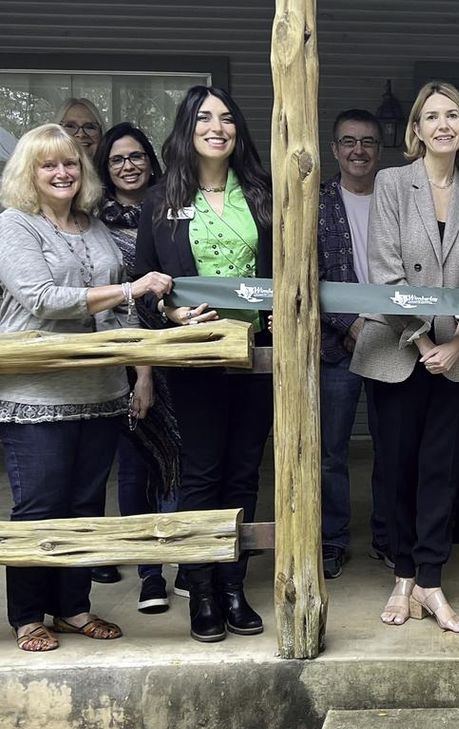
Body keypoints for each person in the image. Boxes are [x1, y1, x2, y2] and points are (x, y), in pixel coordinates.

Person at [0, 124, 172, 651]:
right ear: (29, 172)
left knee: (84, 505)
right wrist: (129, 287)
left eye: (70, 163)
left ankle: (73, 606)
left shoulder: (93, 226)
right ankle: (29, 615)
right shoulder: (15, 225)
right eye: (48, 165)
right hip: (36, 392)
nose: (61, 173)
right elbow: (42, 298)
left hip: (99, 388)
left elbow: (116, 309)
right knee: (40, 505)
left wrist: (147, 347)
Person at [133, 85, 274, 643]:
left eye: (227, 118)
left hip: (258, 355)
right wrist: (169, 312)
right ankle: (203, 591)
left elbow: (288, 273)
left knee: (243, 470)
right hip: (195, 357)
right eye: (205, 118)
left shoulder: (261, 193)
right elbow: (145, 287)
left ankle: (235, 586)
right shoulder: (160, 199)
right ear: (186, 129)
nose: (218, 127)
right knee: (202, 473)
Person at [351, 81, 459, 634]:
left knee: (442, 470)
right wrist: (426, 342)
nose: (443, 125)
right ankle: (403, 574)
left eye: (452, 115)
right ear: (416, 129)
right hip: (397, 350)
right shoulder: (391, 183)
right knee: (396, 468)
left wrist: (457, 341)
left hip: (457, 355)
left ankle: (432, 581)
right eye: (431, 116)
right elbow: (384, 271)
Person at [92, 122, 182, 609]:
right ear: (105, 170)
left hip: (175, 349)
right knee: (134, 467)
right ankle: (149, 573)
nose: (128, 166)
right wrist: (140, 366)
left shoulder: (173, 209)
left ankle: (185, 558)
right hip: (124, 355)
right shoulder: (94, 222)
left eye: (136, 156)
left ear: (150, 159)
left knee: (178, 459)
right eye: (116, 160)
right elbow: (112, 303)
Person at [316, 108, 390, 580]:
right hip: (334, 345)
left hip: (392, 339)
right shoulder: (315, 201)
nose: (358, 150)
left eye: (366, 142)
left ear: (379, 150)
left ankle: (387, 537)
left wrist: (380, 323)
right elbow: (303, 273)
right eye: (348, 141)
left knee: (391, 445)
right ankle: (331, 539)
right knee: (330, 450)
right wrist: (348, 322)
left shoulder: (396, 199)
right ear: (334, 149)